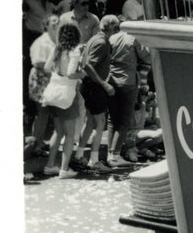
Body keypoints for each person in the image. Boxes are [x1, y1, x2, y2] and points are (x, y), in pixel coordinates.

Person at [74, 15, 117, 173]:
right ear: (111, 27)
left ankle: (79, 156)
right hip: (95, 87)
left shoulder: (94, 38)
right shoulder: (101, 42)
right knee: (100, 123)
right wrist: (104, 83)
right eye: (116, 28)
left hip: (89, 85)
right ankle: (94, 160)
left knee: (90, 122)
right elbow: (88, 65)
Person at [42, 23, 86, 178]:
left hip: (53, 93)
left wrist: (57, 74)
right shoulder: (76, 50)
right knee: (69, 134)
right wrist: (83, 74)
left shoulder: (57, 48)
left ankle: (49, 166)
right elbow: (71, 73)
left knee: (58, 131)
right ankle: (64, 170)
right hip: (67, 95)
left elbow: (47, 68)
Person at [105, 19, 152, 165]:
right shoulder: (133, 38)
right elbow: (147, 57)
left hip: (111, 81)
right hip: (128, 81)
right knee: (124, 120)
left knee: (112, 120)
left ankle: (109, 154)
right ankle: (116, 155)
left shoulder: (112, 38)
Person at [27, 13, 60, 155]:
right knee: (42, 113)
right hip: (41, 79)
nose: (56, 23)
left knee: (45, 113)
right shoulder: (42, 42)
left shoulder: (55, 40)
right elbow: (38, 62)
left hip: (49, 79)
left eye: (58, 21)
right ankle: (35, 146)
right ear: (46, 24)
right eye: (53, 21)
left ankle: (39, 143)